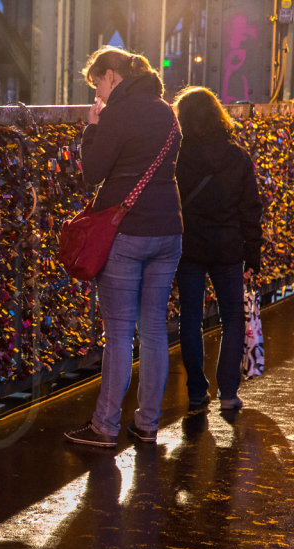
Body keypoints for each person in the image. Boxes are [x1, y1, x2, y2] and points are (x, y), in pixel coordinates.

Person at [64, 47, 183, 448]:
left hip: (127, 230)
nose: (97, 89)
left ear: (112, 75)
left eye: (97, 81)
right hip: (168, 229)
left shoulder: (116, 112)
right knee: (152, 329)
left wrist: (92, 127)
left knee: (117, 333)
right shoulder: (167, 112)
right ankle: (148, 423)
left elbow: (92, 173)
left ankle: (105, 426)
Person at [172, 86, 263, 412]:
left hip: (189, 247)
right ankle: (228, 393)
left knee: (191, 319)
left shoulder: (177, 157)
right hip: (227, 249)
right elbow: (251, 209)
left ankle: (197, 393)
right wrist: (253, 254)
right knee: (232, 319)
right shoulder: (236, 156)